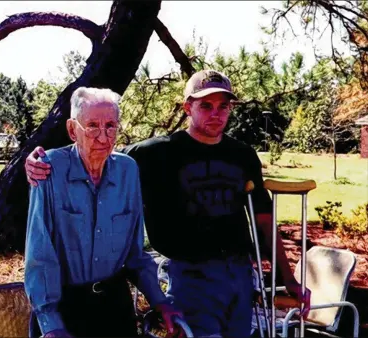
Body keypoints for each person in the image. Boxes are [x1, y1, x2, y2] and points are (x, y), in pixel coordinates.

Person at [25, 71, 311, 337]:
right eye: (206, 105)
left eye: (223, 106)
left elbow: (262, 219)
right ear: (188, 108)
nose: (216, 114)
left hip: (236, 274)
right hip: (190, 276)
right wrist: (35, 161)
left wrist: (289, 278)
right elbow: (94, 156)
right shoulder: (155, 153)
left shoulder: (242, 154)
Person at [24, 87, 183, 338]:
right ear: (72, 129)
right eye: (92, 126)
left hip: (113, 306)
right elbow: (40, 255)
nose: (103, 137)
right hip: (65, 308)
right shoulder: (49, 169)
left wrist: (160, 301)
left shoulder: (127, 170)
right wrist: (51, 324)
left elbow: (134, 253)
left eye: (110, 126)